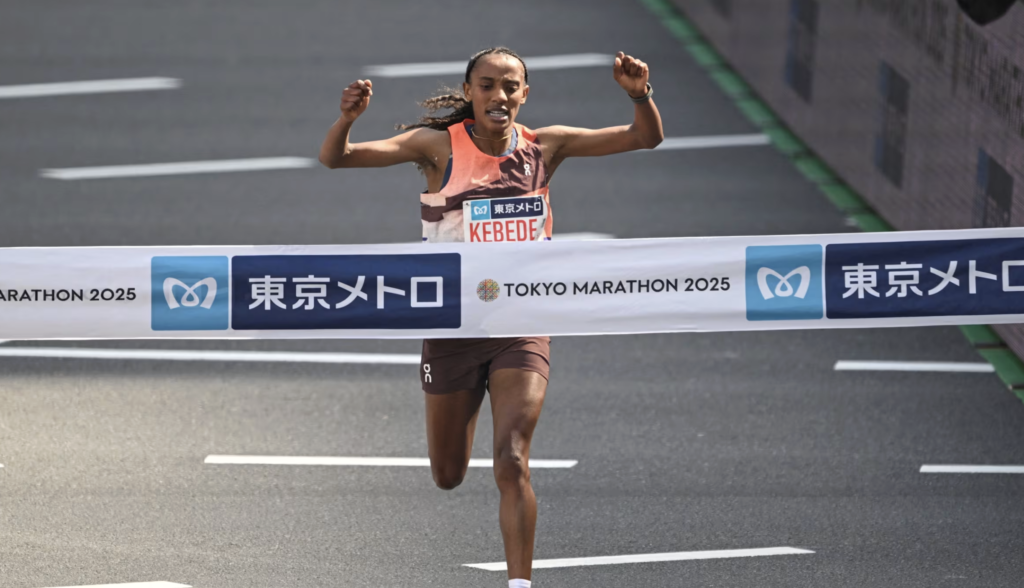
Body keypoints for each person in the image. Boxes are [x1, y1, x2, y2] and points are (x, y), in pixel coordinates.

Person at [319, 47, 663, 588]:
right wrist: (346, 119)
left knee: (512, 459)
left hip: (520, 324)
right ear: (470, 92)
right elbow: (336, 159)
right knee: (448, 475)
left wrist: (639, 93)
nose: (498, 96)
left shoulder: (546, 146)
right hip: (453, 327)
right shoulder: (437, 148)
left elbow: (645, 137)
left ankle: (519, 584)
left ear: (525, 95)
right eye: (487, 86)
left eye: (510, 87)